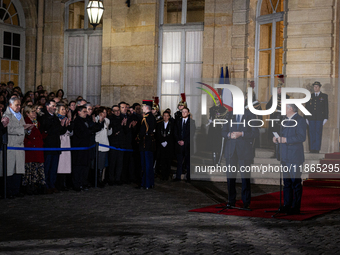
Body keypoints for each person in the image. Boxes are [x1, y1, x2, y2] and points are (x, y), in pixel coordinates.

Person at [221, 108, 259, 209]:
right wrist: (229, 134)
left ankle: (246, 202)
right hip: (231, 150)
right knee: (230, 177)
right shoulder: (229, 115)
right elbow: (223, 131)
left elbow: (255, 133)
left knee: (245, 177)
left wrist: (242, 133)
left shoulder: (250, 115)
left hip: (245, 151)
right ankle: (231, 201)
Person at [273, 104, 307, 215]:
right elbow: (283, 136)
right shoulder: (284, 120)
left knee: (295, 182)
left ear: (291, 109)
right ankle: (287, 204)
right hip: (285, 156)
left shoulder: (300, 120)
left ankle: (296, 206)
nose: (283, 109)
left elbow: (301, 137)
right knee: (286, 182)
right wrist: (277, 138)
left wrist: (286, 139)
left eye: (285, 107)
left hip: (295, 157)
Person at [2, 97, 34, 198]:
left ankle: (16, 190)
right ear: (10, 105)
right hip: (11, 145)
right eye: (17, 105)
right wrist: (22, 128)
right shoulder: (6, 115)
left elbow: (22, 128)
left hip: (20, 146)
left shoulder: (20, 115)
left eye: (20, 105)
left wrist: (28, 129)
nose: (19, 107)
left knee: (18, 170)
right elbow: (8, 129)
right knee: (9, 170)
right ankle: (8, 191)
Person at [71, 106, 104, 191]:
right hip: (79, 147)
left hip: (86, 147)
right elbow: (82, 133)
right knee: (78, 167)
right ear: (79, 112)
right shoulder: (77, 121)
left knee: (85, 166)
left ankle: (83, 182)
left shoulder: (86, 120)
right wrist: (91, 132)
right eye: (84, 111)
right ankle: (77, 184)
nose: (86, 113)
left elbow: (92, 129)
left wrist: (99, 123)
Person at [39, 100, 68, 194]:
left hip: (56, 145)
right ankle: (46, 185)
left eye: (55, 106)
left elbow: (59, 131)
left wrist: (63, 125)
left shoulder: (55, 118)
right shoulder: (44, 117)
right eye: (53, 106)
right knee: (47, 167)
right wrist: (57, 126)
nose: (55, 107)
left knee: (54, 167)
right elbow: (47, 129)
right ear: (47, 106)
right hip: (48, 145)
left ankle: (52, 184)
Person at [23, 105, 46, 195]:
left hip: (38, 148)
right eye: (32, 111)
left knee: (38, 168)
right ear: (27, 113)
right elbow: (27, 136)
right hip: (31, 149)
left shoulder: (37, 123)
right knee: (30, 169)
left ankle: (39, 185)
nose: (35, 113)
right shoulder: (26, 122)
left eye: (35, 111)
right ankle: (30, 186)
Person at [266, 76, 290, 157]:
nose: (279, 90)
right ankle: (276, 152)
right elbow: (267, 106)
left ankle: (281, 153)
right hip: (274, 117)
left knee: (281, 135)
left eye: (280, 89)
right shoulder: (274, 97)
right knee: (274, 135)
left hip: (282, 118)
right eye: (278, 89)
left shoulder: (287, 97)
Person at [305, 81, 328, 153]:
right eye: (314, 86)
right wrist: (306, 117)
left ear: (319, 87)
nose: (315, 88)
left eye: (317, 86)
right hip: (311, 118)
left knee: (318, 133)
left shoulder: (324, 96)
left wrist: (326, 117)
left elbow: (326, 107)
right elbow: (307, 107)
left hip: (319, 118)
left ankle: (317, 149)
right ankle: (312, 148)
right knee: (311, 133)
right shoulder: (310, 96)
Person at [174, 107, 196, 182]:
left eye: (185, 112)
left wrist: (184, 141)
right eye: (182, 112)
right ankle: (178, 177)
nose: (183, 113)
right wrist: (178, 140)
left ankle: (188, 177)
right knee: (179, 161)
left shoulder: (192, 122)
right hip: (179, 144)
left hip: (187, 145)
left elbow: (192, 133)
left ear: (188, 113)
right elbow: (175, 132)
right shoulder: (178, 121)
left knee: (188, 162)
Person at [139, 100, 156, 189]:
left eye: (143, 107)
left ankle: (146, 183)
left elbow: (142, 132)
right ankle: (150, 183)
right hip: (150, 143)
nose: (142, 108)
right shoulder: (152, 117)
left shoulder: (146, 118)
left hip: (145, 143)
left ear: (146, 107)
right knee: (149, 164)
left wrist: (138, 138)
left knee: (146, 165)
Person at [56, 104, 73, 191]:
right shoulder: (56, 120)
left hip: (67, 143)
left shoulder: (67, 119)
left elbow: (71, 131)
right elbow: (59, 131)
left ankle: (64, 183)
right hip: (61, 143)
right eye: (62, 109)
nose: (64, 111)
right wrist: (63, 126)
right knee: (60, 164)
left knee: (66, 164)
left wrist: (69, 123)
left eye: (65, 109)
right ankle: (59, 184)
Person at [94, 107, 112, 187]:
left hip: (105, 144)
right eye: (103, 112)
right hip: (97, 144)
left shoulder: (107, 120)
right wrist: (100, 122)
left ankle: (101, 179)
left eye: (106, 112)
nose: (105, 114)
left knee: (103, 164)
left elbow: (108, 132)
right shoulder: (95, 119)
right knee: (97, 164)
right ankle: (96, 180)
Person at [108, 105, 125, 185]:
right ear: (112, 112)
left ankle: (118, 178)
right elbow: (112, 131)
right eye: (115, 110)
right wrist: (120, 126)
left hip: (121, 144)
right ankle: (111, 179)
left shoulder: (122, 118)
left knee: (120, 163)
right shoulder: (110, 119)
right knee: (112, 162)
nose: (117, 112)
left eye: (118, 110)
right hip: (113, 144)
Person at [156, 111, 175, 180]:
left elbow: (172, 135)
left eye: (167, 116)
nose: (166, 117)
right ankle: (163, 175)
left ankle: (167, 174)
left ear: (169, 117)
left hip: (169, 145)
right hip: (161, 145)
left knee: (168, 160)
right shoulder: (159, 124)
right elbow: (158, 134)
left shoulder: (172, 124)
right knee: (162, 160)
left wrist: (167, 142)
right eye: (164, 116)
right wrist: (161, 141)